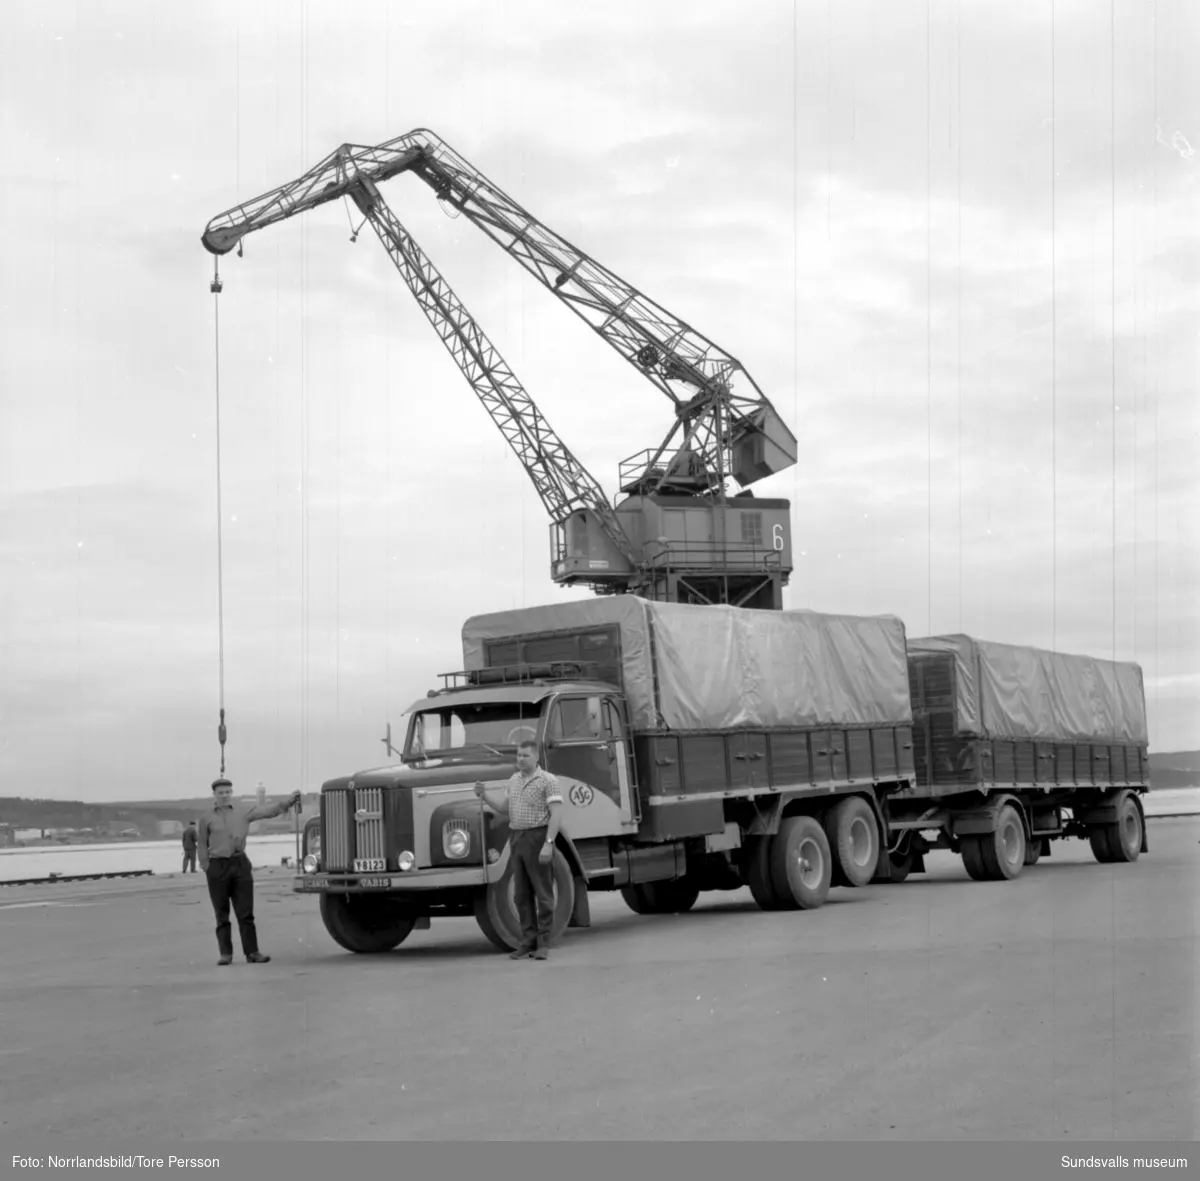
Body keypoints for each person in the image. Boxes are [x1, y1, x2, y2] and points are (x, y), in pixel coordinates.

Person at [474, 740, 563, 961]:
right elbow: (505, 808)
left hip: (537, 836)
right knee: (521, 895)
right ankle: (527, 942)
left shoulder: (548, 781)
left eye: (524, 755)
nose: (520, 759)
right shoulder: (513, 780)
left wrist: (548, 844)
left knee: (543, 894)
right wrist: (484, 796)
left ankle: (543, 944)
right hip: (516, 838)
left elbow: (557, 814)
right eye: (518, 756)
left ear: (536, 758)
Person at [197, 777, 301, 966]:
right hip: (217, 866)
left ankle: (252, 952)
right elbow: (202, 844)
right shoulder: (206, 818)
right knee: (221, 914)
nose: (224, 796)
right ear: (214, 795)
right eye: (221, 793)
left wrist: (288, 802)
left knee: (245, 912)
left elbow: (267, 811)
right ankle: (226, 954)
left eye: (227, 792)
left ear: (231, 792)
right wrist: (207, 867)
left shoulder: (243, 812)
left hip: (240, 864)